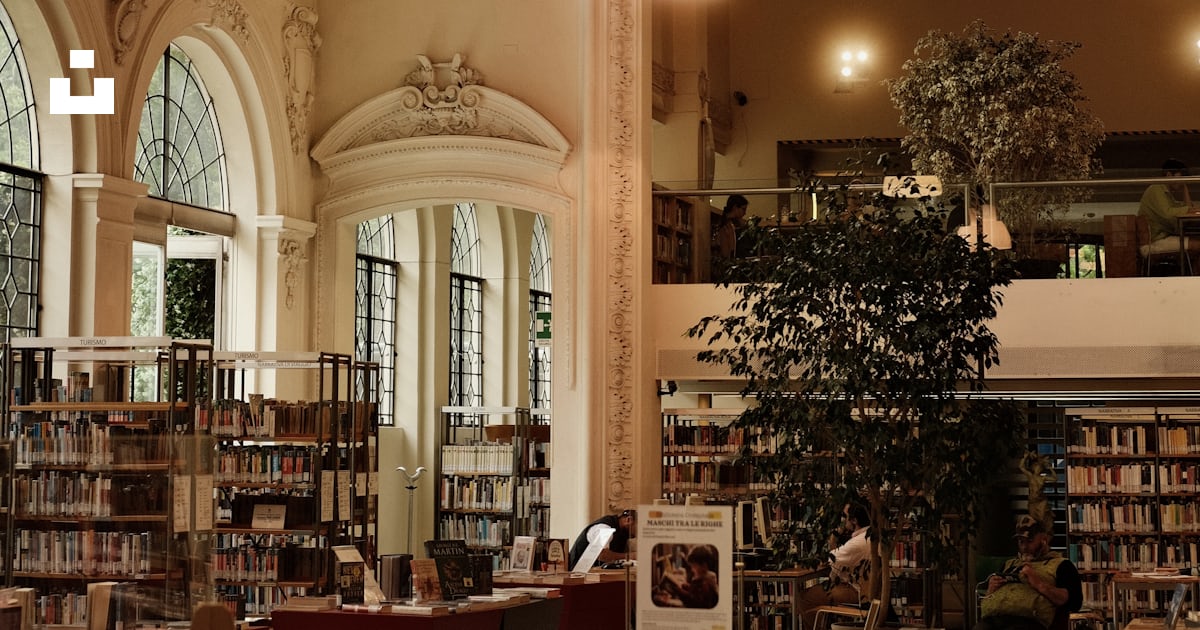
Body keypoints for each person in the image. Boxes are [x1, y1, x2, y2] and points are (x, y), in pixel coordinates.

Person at [974, 514, 1082, 630]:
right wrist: (990, 590)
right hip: (992, 619)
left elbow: (1074, 603)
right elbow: (987, 599)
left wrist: (1039, 584)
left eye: (1029, 541)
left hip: (1027, 621)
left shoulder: (1061, 565)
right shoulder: (1009, 564)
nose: (1024, 547)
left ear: (1044, 540)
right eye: (1021, 542)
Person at [798, 502, 872, 630]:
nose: (842, 520)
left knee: (805, 597)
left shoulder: (857, 542)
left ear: (854, 520)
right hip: (868, 590)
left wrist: (835, 535)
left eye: (844, 516)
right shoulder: (872, 536)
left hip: (857, 592)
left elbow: (832, 559)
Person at [1138, 158, 1197, 245]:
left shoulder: (1167, 194)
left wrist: (1185, 188)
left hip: (1163, 236)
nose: (1182, 181)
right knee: (1196, 243)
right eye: (1181, 177)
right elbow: (1168, 214)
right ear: (1169, 175)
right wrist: (1188, 209)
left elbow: (1188, 209)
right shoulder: (1155, 189)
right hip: (1155, 240)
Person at [652, 543, 719, 609]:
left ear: (703, 565)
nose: (692, 569)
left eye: (694, 566)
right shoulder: (701, 577)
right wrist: (686, 586)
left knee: (662, 602)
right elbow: (695, 591)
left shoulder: (706, 582)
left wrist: (677, 590)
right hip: (692, 604)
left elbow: (693, 601)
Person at [568, 509, 636, 570]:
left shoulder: (623, 533)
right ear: (629, 520)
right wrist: (631, 556)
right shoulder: (604, 528)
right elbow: (602, 555)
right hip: (579, 575)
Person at [714, 194, 749, 260]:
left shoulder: (734, 224)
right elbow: (726, 252)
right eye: (743, 209)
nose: (745, 213)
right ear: (735, 207)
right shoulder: (726, 225)